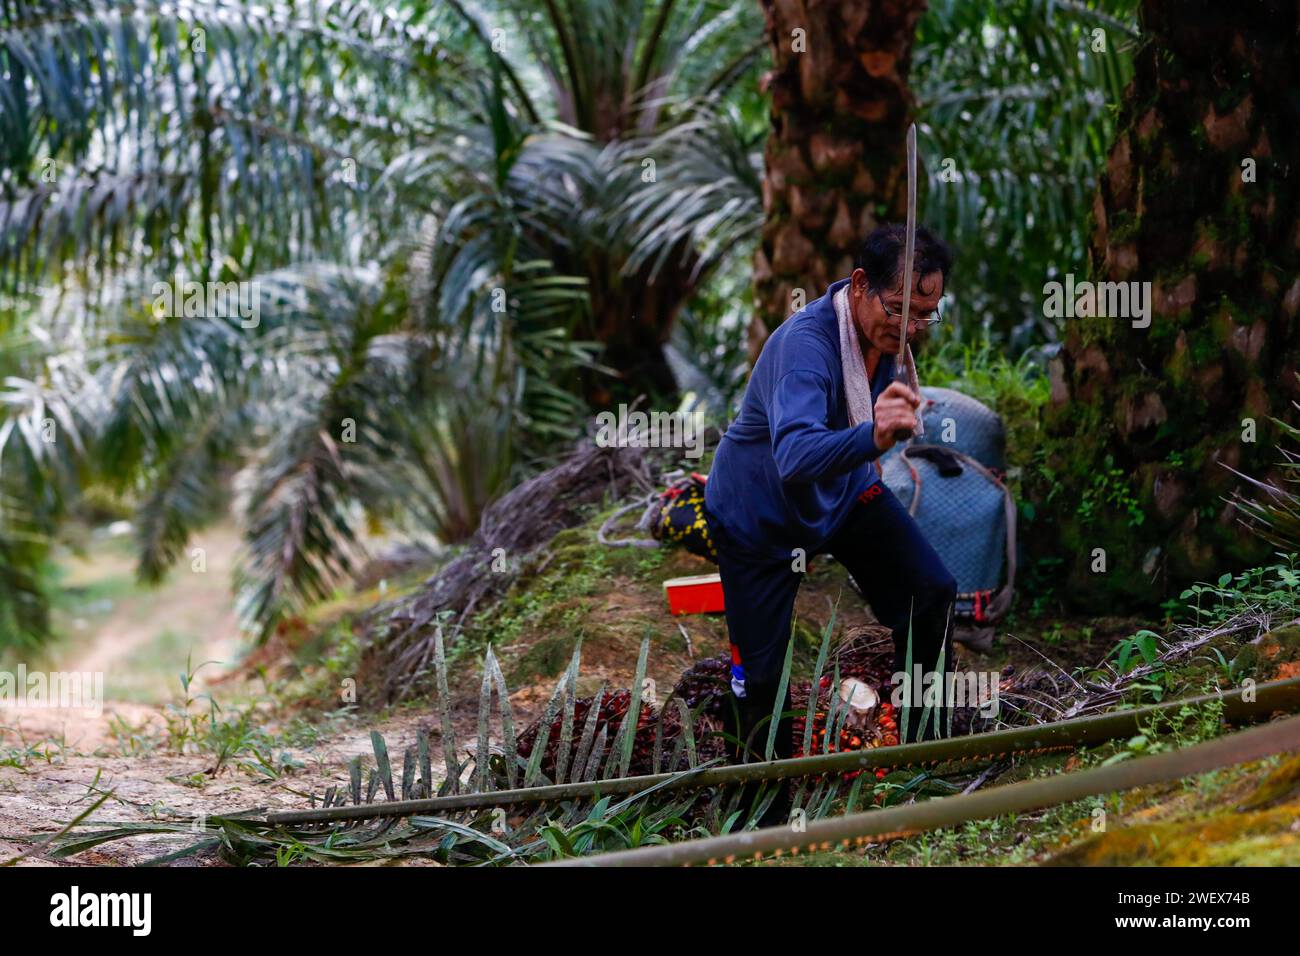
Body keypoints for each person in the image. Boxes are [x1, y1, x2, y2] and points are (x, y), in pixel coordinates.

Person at [702, 224, 958, 822]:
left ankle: (922, 766)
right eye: (899, 309)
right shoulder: (807, 347)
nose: (911, 328)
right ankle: (756, 815)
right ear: (861, 286)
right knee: (758, 677)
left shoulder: (888, 340)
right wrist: (872, 433)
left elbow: (848, 446)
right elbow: (794, 458)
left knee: (930, 591)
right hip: (757, 517)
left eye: (926, 314)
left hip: (843, 494)